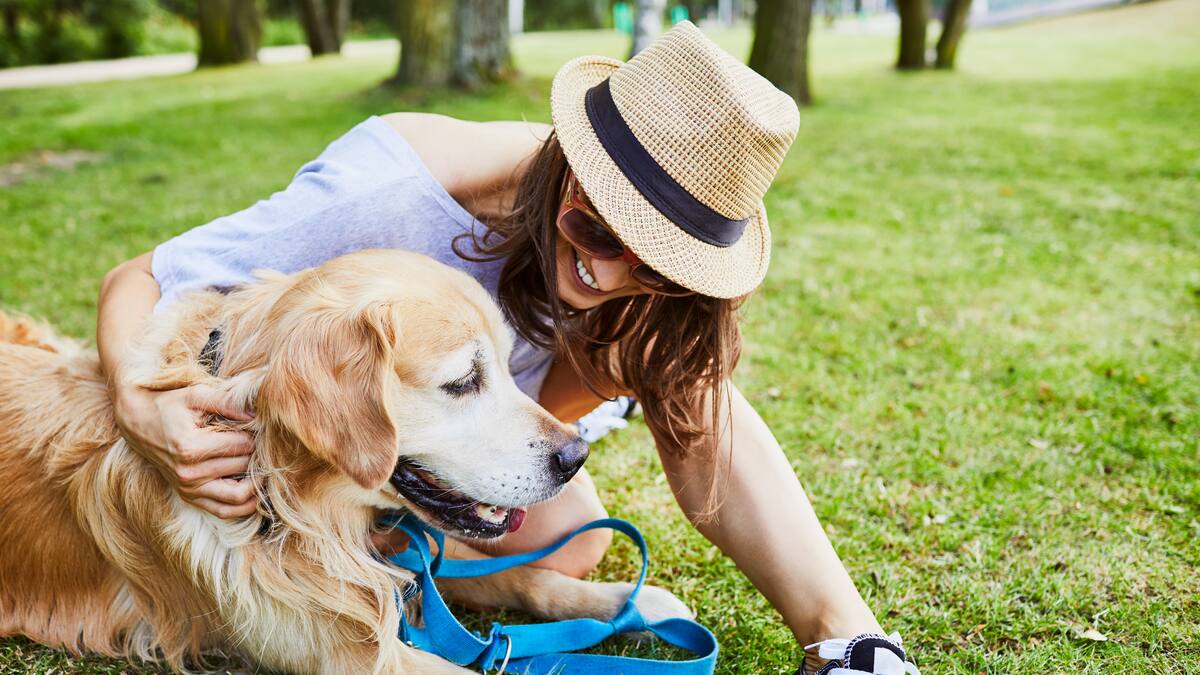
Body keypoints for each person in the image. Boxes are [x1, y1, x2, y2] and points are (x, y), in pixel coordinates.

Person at [96, 23, 918, 675]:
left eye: (658, 263)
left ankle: (850, 643)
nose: (604, 271)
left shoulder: (647, 294)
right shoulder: (394, 186)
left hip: (444, 426)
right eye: (594, 227)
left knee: (571, 532)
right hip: (317, 413)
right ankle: (355, 553)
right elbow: (142, 277)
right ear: (570, 158)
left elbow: (704, 421)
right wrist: (140, 404)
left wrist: (845, 633)